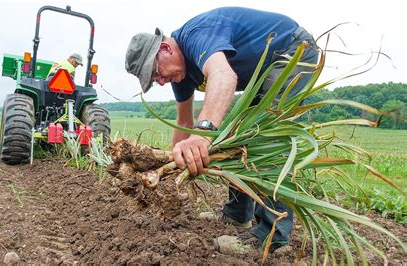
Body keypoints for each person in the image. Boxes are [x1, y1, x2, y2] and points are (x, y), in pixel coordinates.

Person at [125, 7, 319, 254]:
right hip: (269, 67)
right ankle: (237, 214)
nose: (160, 81)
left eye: (156, 73)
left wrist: (202, 135)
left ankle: (271, 238)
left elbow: (224, 76)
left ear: (165, 49)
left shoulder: (197, 35)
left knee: (264, 136)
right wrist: (169, 169)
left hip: (293, 51)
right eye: (154, 80)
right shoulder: (181, 75)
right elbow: (184, 122)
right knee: (235, 135)